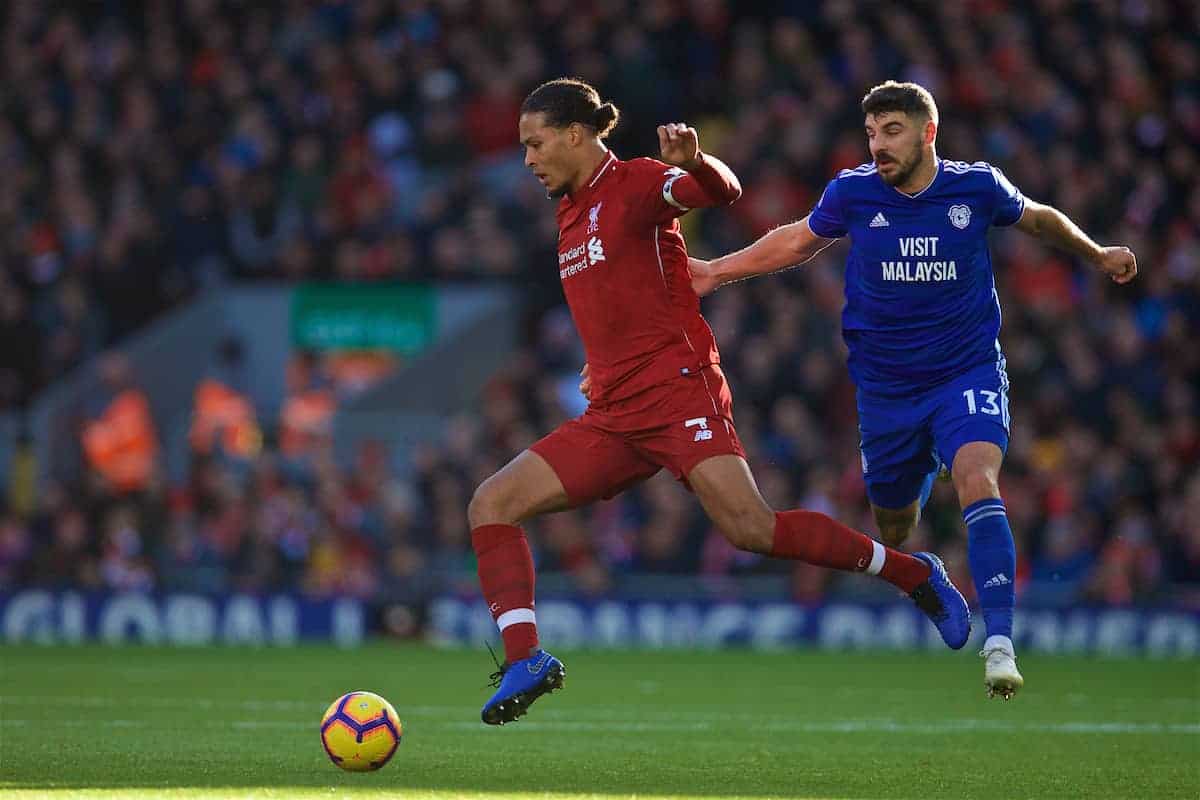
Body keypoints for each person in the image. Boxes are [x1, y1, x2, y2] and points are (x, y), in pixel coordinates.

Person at [468, 78, 971, 727]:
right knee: (492, 502)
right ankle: (525, 659)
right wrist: (601, 364)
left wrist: (694, 163)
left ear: (575, 134)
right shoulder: (568, 215)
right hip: (616, 415)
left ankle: (912, 573)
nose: (529, 159)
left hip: (678, 391)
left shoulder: (641, 183)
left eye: (535, 144)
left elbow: (717, 191)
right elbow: (620, 301)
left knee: (750, 529)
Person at [688, 80, 1138, 700]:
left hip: (965, 372)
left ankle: (1000, 641)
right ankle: (922, 571)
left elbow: (1037, 218)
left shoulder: (974, 186)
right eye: (871, 133)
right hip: (886, 391)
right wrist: (716, 269)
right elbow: (795, 239)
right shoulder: (853, 193)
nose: (878, 146)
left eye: (892, 131)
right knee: (894, 526)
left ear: (928, 132)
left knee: (979, 478)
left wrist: (1096, 252)